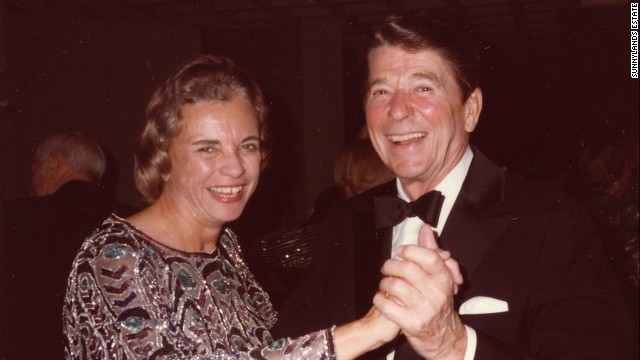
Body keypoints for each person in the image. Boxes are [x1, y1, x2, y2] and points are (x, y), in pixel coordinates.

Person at [272, 11, 635, 359]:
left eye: (424, 87)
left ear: (470, 109)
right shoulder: (346, 220)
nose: (397, 110)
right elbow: (290, 347)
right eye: (380, 91)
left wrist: (454, 346)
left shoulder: (553, 222)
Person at [62, 54, 407, 359]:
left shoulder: (225, 247)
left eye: (248, 146)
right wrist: (367, 331)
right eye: (208, 149)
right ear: (162, 160)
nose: (236, 168)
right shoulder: (114, 258)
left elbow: (270, 343)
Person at [0, 130, 136, 359]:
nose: (31, 187)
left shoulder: (13, 218)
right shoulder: (135, 220)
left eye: (34, 173)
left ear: (52, 164)